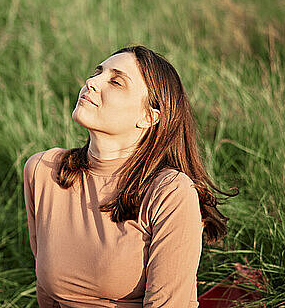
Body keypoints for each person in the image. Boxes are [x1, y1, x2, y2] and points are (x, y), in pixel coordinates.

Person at [23, 45, 238, 307]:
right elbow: (47, 294)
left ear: (148, 116)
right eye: (97, 72)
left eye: (115, 82)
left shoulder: (171, 192)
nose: (91, 82)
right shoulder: (43, 170)